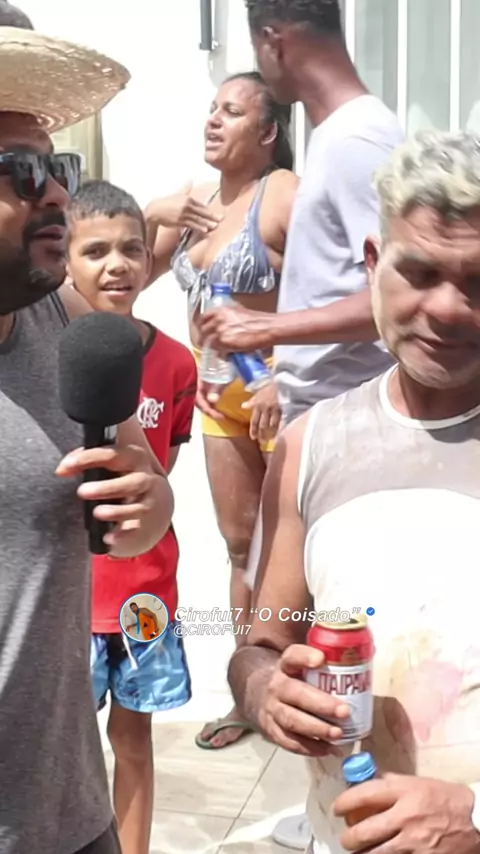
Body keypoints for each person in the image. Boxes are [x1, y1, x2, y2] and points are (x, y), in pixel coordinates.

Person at [228, 130, 480, 854]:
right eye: (420, 272)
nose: (448, 308)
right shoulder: (309, 445)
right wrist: (264, 688)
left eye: (478, 281)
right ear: (373, 264)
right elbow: (263, 640)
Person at [0, 26, 174, 854]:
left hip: (72, 811)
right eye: (20, 171)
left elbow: (141, 480)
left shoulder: (59, 318)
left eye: (56, 167)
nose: (57, 196)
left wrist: (148, 505)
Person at [145, 70, 298, 750]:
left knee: (297, 551)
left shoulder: (284, 193)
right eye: (212, 108)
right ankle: (250, 692)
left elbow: (344, 283)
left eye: (231, 112)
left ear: (266, 132)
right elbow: (124, 268)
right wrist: (155, 211)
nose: (213, 120)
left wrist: (287, 374)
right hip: (216, 396)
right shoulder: (196, 202)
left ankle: (313, 686)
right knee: (241, 548)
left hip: (276, 393)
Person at [66, 179, 196, 854]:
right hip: (67, 596)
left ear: (150, 259)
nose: (116, 265)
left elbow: (161, 472)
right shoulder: (44, 355)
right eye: (95, 251)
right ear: (65, 260)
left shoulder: (175, 362)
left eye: (131, 249)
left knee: (133, 739)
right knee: (63, 750)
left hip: (145, 592)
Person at [200, 0, 405, 428]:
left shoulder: (357, 140)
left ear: (272, 42)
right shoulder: (337, 135)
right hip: (322, 416)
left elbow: (399, 295)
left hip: (349, 420)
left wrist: (266, 327)